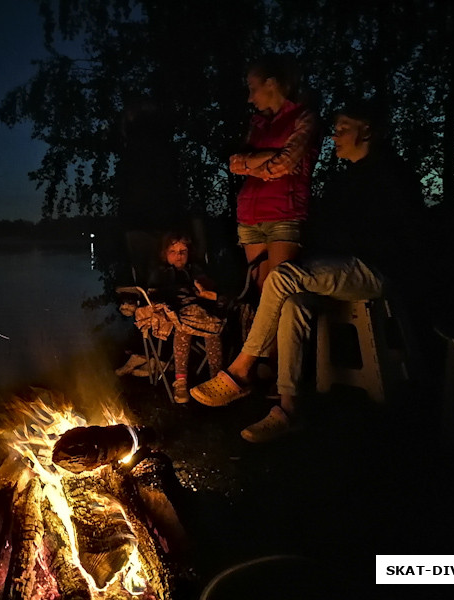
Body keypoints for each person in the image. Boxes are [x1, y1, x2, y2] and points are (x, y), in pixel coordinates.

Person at [190, 98, 424, 442]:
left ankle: (241, 371)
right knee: (294, 299)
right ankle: (289, 409)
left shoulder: (389, 174)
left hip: (378, 269)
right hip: (346, 268)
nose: (335, 135)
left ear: (368, 131)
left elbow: (403, 234)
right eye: (336, 128)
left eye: (344, 128)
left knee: (284, 275)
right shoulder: (347, 181)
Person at [229, 53, 321, 295]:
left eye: (252, 88)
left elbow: (285, 163)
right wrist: (268, 157)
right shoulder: (258, 124)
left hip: (283, 213)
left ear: (271, 84)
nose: (250, 98)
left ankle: (289, 334)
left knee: (280, 292)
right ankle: (268, 335)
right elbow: (234, 163)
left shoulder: (303, 117)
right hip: (249, 215)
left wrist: (251, 164)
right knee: (260, 292)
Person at [148, 233, 225, 404]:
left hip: (200, 313)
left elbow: (208, 289)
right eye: (173, 251)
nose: (179, 255)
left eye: (183, 251)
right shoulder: (161, 273)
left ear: (190, 252)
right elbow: (154, 294)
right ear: (164, 254)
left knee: (212, 327)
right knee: (184, 328)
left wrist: (204, 290)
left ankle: (217, 380)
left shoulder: (196, 270)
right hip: (174, 314)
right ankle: (181, 381)